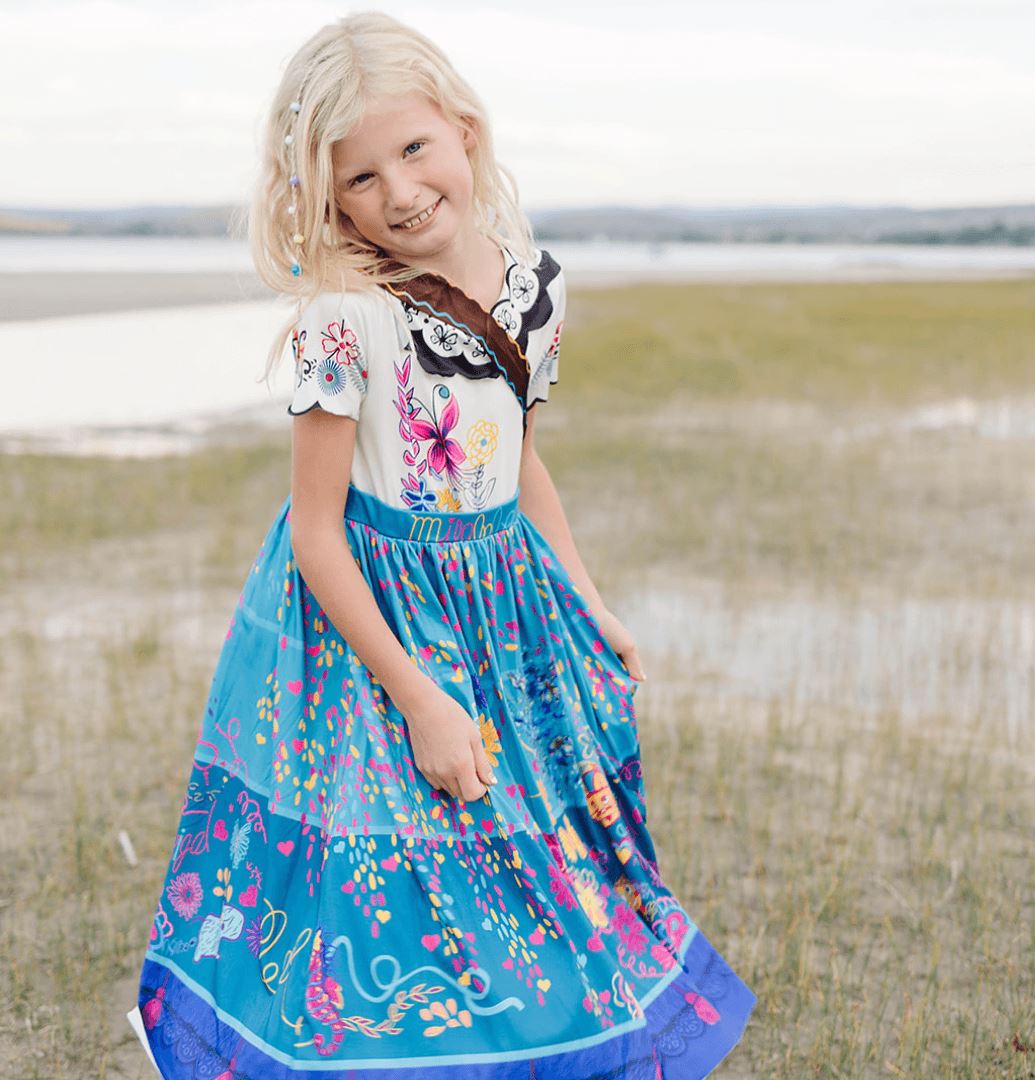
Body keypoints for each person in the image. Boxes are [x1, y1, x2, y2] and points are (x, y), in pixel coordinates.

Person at [128, 11, 756, 1077]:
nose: (400, 191)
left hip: (501, 608)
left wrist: (587, 598)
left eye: (414, 149)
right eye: (360, 178)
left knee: (529, 853)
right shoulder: (346, 317)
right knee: (385, 871)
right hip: (368, 627)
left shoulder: (536, 288)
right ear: (326, 200)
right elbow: (318, 536)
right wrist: (419, 695)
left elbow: (520, 463)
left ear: (464, 130)